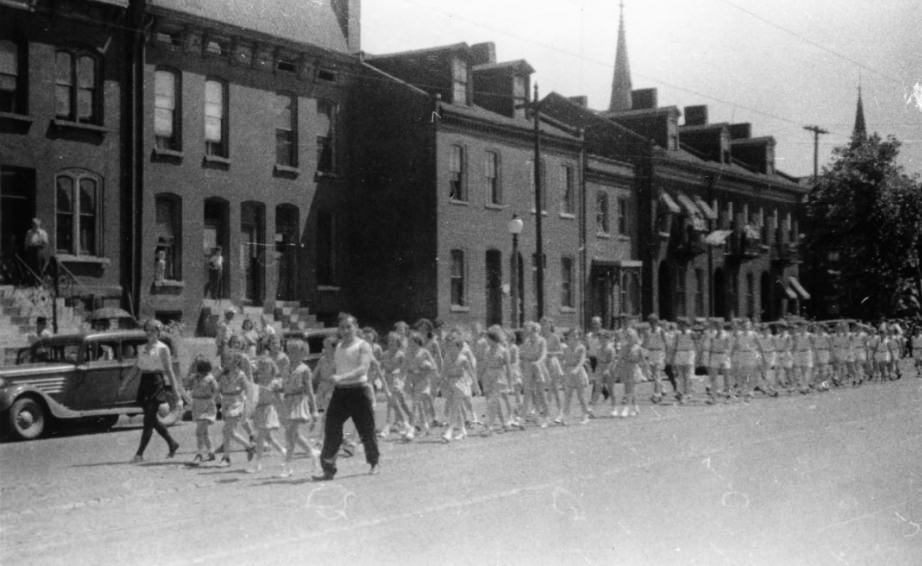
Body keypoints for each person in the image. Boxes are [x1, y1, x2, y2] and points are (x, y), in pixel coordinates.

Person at [313, 314, 380, 481]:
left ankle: (374, 462)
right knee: (331, 428)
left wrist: (343, 377)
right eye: (342, 327)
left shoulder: (363, 346)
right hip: (341, 393)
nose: (345, 330)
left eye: (349, 327)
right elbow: (337, 369)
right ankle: (328, 469)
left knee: (366, 429)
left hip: (359, 391)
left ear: (356, 327)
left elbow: (363, 368)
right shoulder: (339, 347)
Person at [121, 320, 180, 463]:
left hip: (156, 382)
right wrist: (124, 384)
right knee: (151, 418)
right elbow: (136, 367)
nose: (149, 333)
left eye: (152, 331)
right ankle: (172, 443)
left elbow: (169, 370)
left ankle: (139, 454)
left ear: (158, 332)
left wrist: (175, 390)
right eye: (147, 330)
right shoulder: (141, 348)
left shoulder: (163, 348)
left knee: (148, 420)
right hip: (145, 382)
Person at [280, 339, 320, 478]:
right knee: (293, 435)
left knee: (290, 435)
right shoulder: (285, 368)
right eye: (289, 351)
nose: (291, 354)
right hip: (287, 402)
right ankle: (312, 453)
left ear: (303, 353)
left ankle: (287, 466)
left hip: (298, 402)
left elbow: (310, 390)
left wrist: (314, 410)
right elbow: (284, 385)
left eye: (295, 351)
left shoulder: (305, 369)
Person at [186, 357, 219, 465]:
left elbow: (216, 390)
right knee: (204, 432)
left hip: (206, 405)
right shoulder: (195, 378)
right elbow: (186, 383)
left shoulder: (210, 379)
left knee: (199, 431)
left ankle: (199, 453)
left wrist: (211, 400)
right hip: (197, 404)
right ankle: (211, 451)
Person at [560, 328, 591, 425]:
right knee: (568, 395)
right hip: (569, 372)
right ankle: (565, 416)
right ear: (568, 337)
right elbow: (564, 360)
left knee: (581, 395)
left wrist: (577, 369)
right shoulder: (565, 348)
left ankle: (585, 415)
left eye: (576, 335)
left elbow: (582, 360)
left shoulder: (581, 347)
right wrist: (563, 371)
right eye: (572, 335)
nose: (574, 337)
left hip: (579, 372)